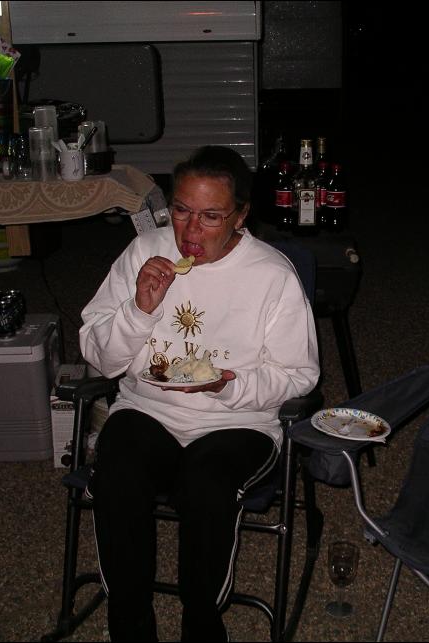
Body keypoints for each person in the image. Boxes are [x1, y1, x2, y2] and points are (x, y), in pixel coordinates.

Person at [79, 145, 320, 641]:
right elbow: (101, 361)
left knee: (207, 483)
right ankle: (130, 625)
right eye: (182, 211)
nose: (190, 231)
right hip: (147, 408)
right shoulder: (145, 253)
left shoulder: (270, 275)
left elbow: (299, 375)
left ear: (240, 216)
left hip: (239, 421)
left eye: (211, 216)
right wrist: (139, 311)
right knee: (117, 468)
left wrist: (229, 386)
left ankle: (202, 625)